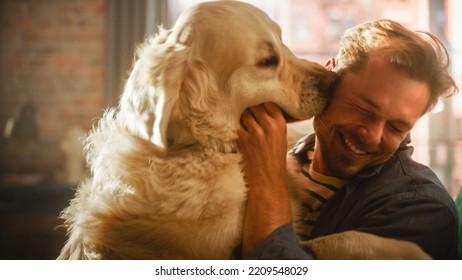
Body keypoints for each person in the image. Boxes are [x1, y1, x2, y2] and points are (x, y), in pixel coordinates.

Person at [237, 19, 459, 259]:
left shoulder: (422, 209)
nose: (372, 136)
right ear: (330, 76)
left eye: (396, 127)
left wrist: (267, 183)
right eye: (364, 109)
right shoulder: (273, 150)